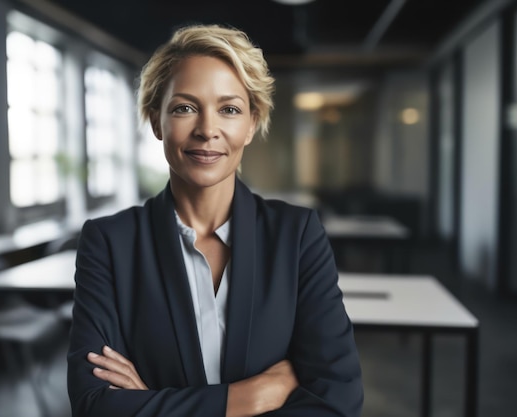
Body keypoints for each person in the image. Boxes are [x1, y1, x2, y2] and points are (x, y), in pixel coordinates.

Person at [67, 23, 363, 417]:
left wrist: (150, 402)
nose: (208, 130)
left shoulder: (297, 235)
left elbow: (338, 399)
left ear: (252, 123)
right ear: (157, 121)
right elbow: (95, 405)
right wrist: (247, 398)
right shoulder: (109, 242)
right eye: (185, 108)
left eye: (229, 109)